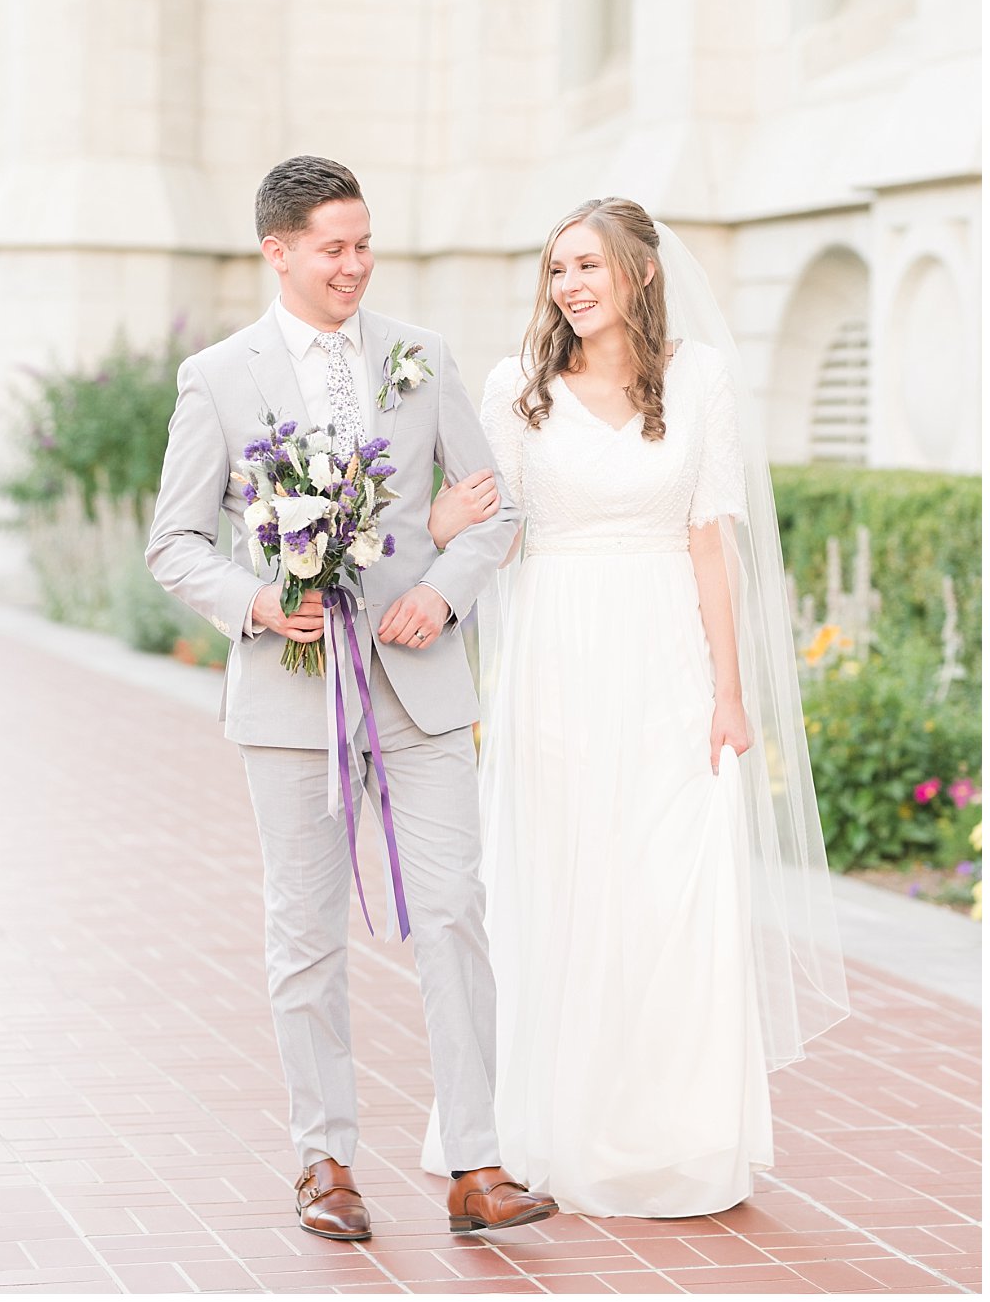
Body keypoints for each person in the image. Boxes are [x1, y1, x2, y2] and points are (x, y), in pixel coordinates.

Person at [147, 155, 557, 1240]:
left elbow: (496, 510)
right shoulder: (217, 377)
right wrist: (255, 601)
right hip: (291, 699)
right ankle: (322, 1159)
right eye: (332, 246)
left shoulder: (422, 359)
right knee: (304, 932)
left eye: (363, 243)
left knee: (456, 914)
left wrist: (439, 589)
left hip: (419, 691)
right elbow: (174, 545)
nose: (353, 264)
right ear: (276, 250)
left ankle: (475, 1161)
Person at [421, 197, 850, 1216]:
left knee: (669, 883)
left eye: (586, 265)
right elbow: (494, 536)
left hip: (666, 659)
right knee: (559, 878)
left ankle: (672, 1130)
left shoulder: (698, 377)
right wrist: (433, 520)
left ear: (639, 273)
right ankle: (535, 1127)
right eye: (555, 268)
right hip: (553, 662)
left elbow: (712, 541)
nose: (566, 284)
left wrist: (729, 693)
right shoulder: (513, 388)